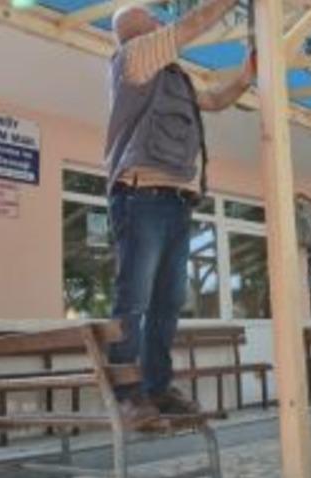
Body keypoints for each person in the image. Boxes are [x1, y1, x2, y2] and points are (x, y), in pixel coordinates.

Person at [105, 0, 255, 426]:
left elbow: (213, 100)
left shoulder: (175, 77)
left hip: (175, 201)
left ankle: (156, 388)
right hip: (141, 195)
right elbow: (192, 25)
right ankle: (128, 392)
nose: (160, 21)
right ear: (138, 31)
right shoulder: (133, 58)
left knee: (167, 302)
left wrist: (246, 76)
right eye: (152, 19)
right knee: (133, 298)